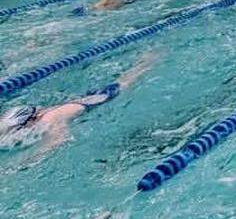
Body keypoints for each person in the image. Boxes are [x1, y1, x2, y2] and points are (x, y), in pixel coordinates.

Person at [0, 54, 152, 155]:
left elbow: (59, 140)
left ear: (31, 121)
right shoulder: (38, 116)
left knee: (129, 79)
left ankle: (148, 61)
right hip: (85, 98)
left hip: (103, 97)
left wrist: (24, 163)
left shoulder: (50, 118)